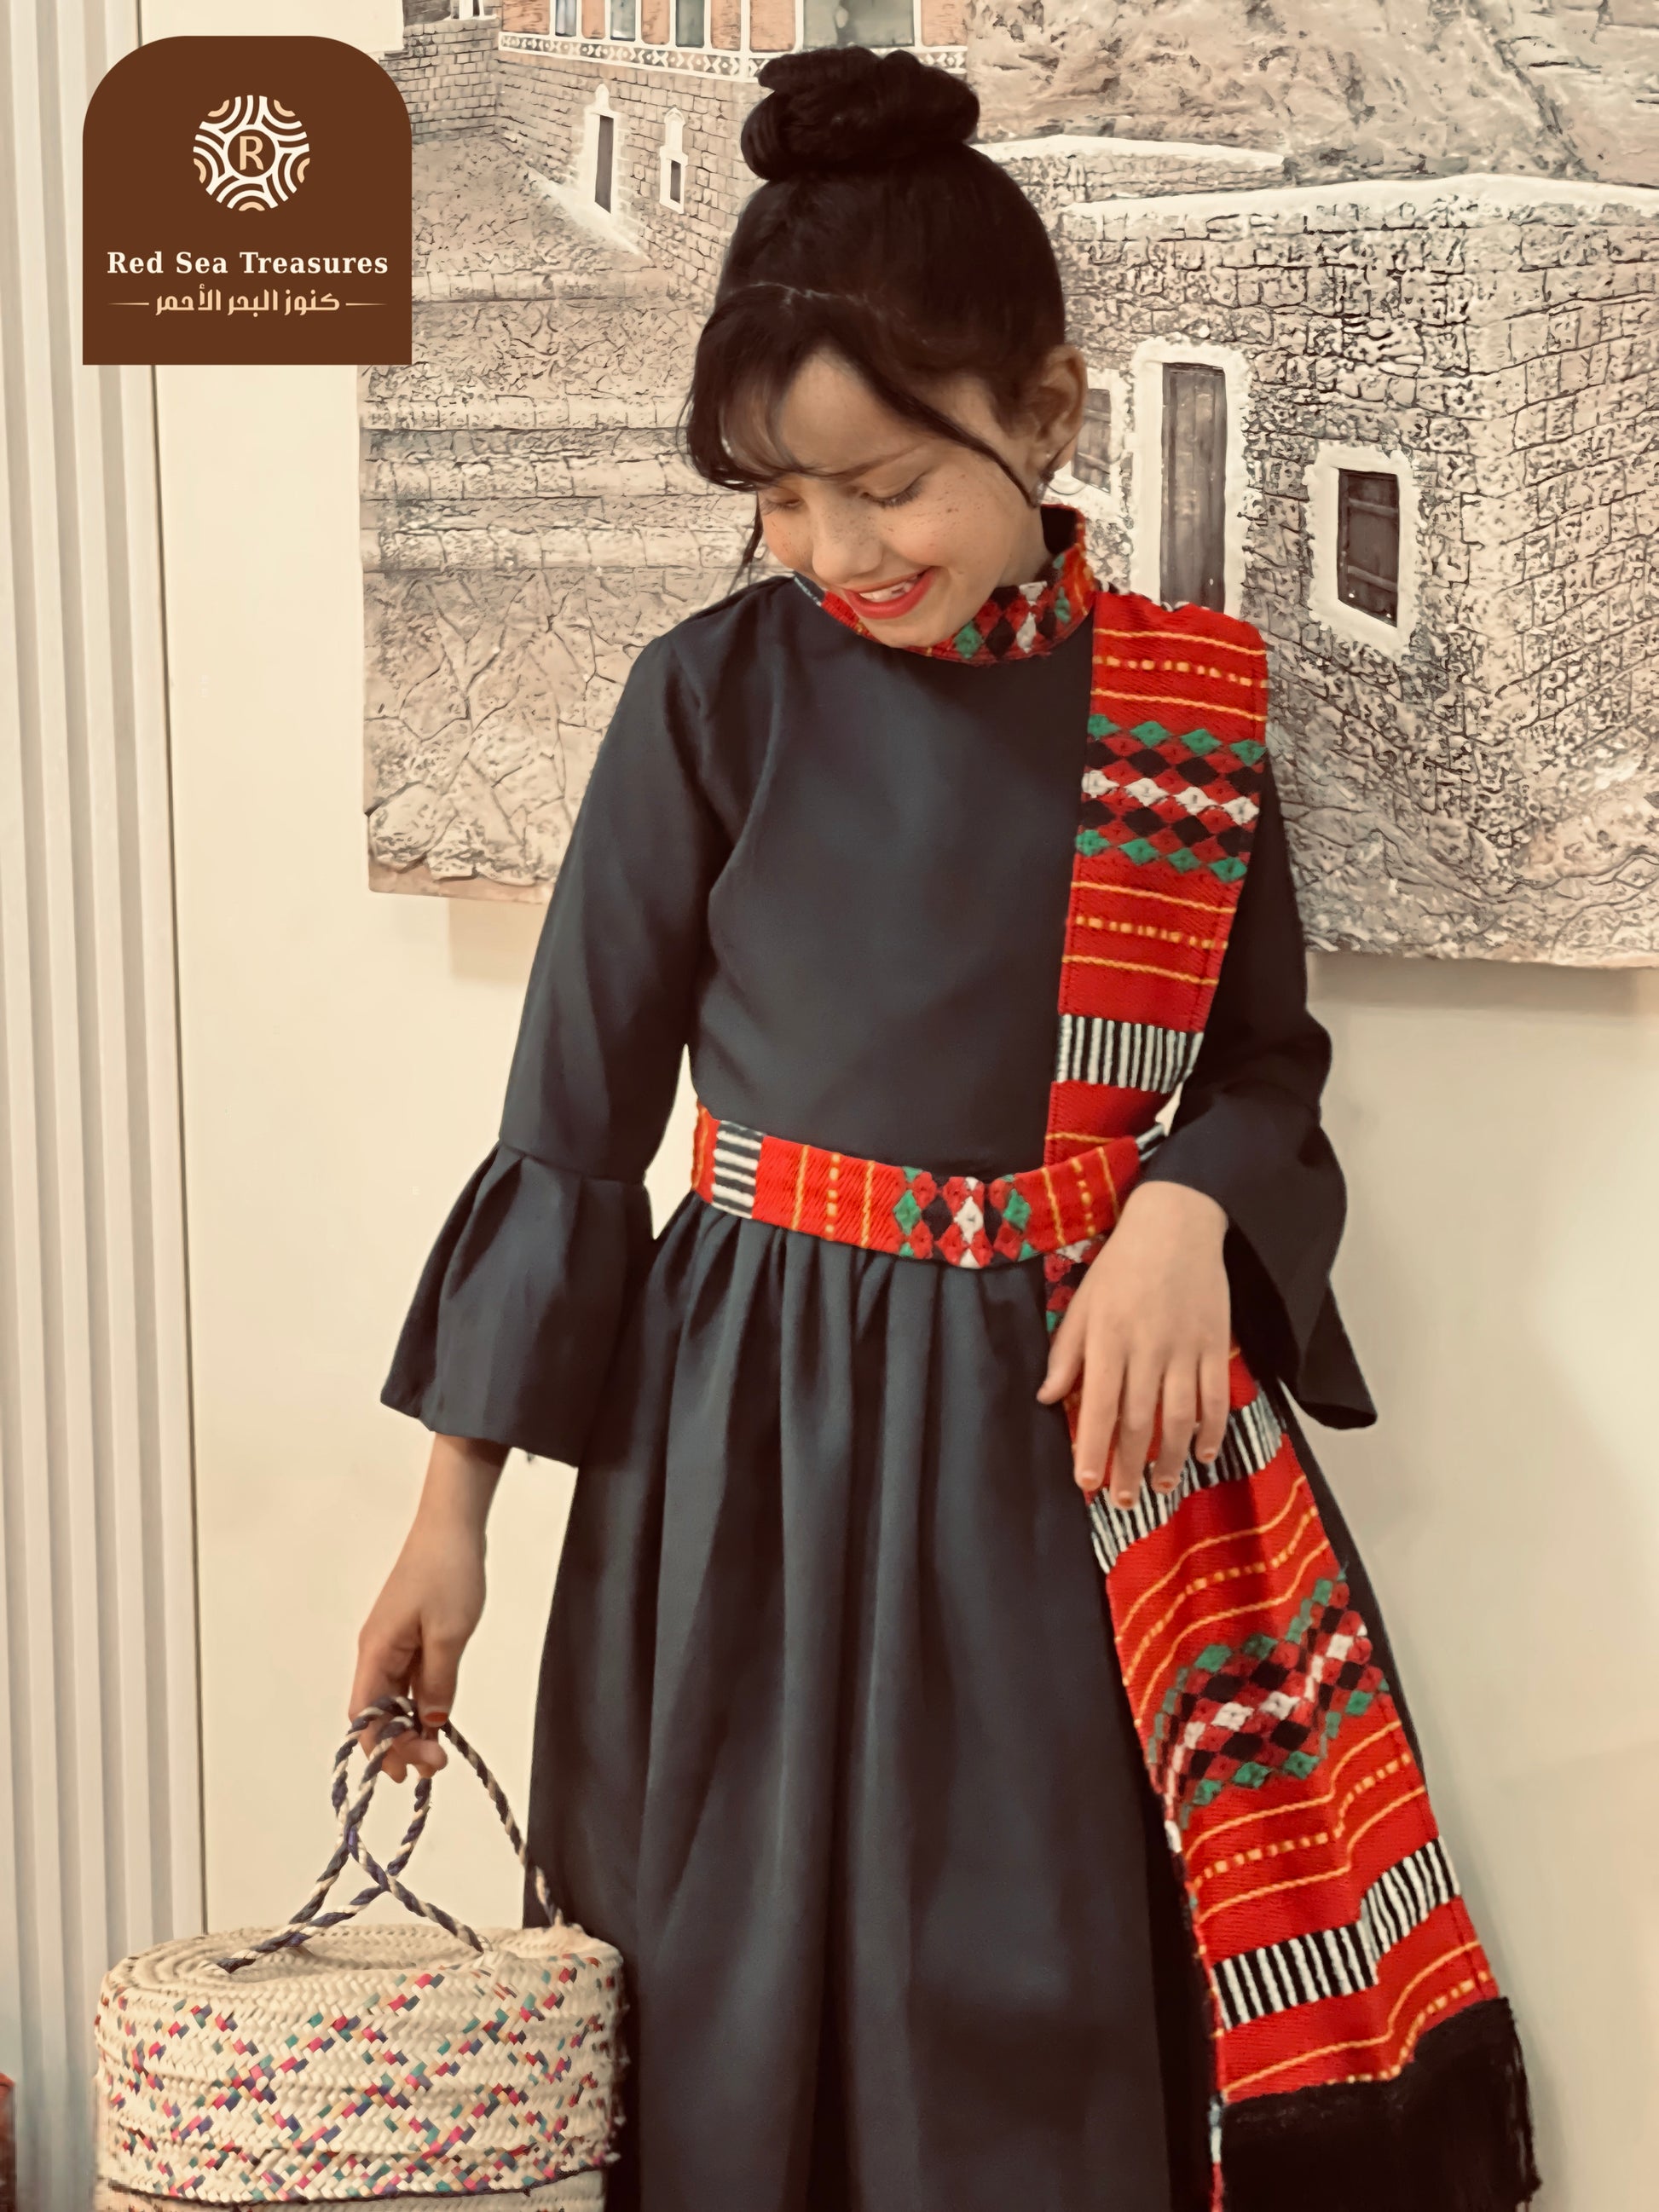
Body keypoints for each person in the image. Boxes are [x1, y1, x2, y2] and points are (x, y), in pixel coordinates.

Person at [356, 46, 1538, 2212]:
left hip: (1056, 1454)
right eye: (778, 499)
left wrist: (1185, 1208)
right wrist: (452, 1521)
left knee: (1027, 2003)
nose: (833, 550)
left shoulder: (1185, 710)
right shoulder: (706, 701)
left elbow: (1263, 1068)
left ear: (1048, 414)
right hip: (739, 1456)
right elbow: (569, 1137)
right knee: (721, 1982)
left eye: (885, 482)